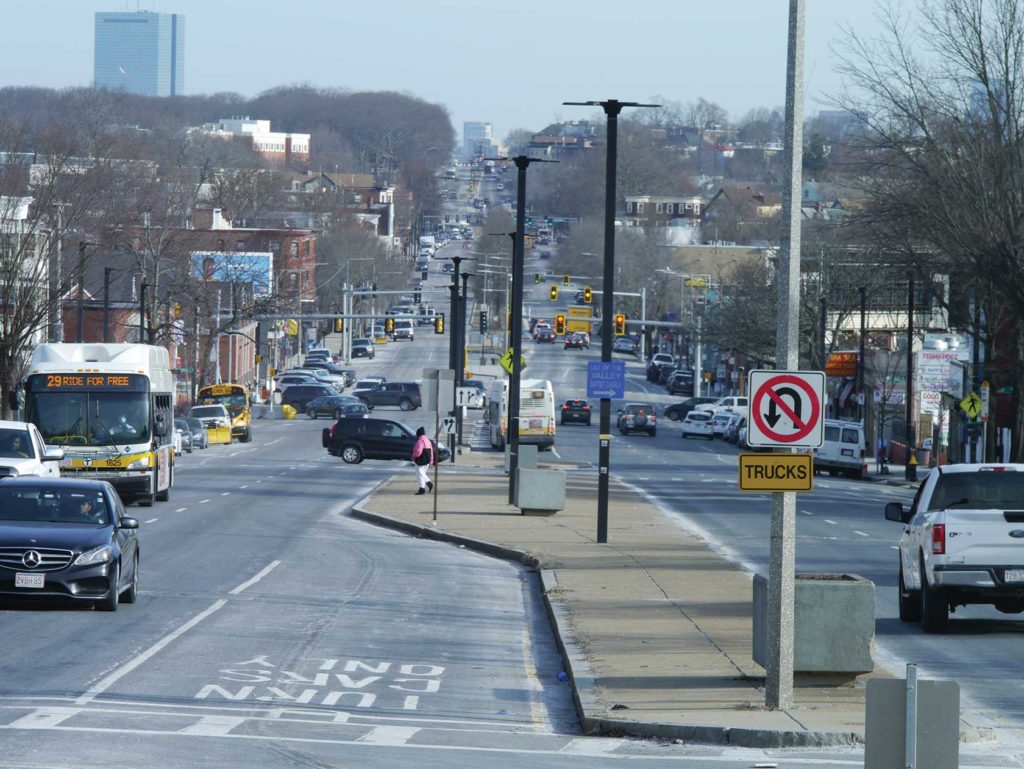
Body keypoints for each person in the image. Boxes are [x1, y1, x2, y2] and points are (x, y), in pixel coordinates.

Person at [411, 426, 434, 495]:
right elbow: (431, 451)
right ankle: (422, 489)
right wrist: (431, 461)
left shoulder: (420, 441)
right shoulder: (428, 441)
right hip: (427, 460)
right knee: (421, 474)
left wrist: (414, 456)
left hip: (420, 460)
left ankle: (429, 483)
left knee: (420, 473)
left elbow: (418, 451)